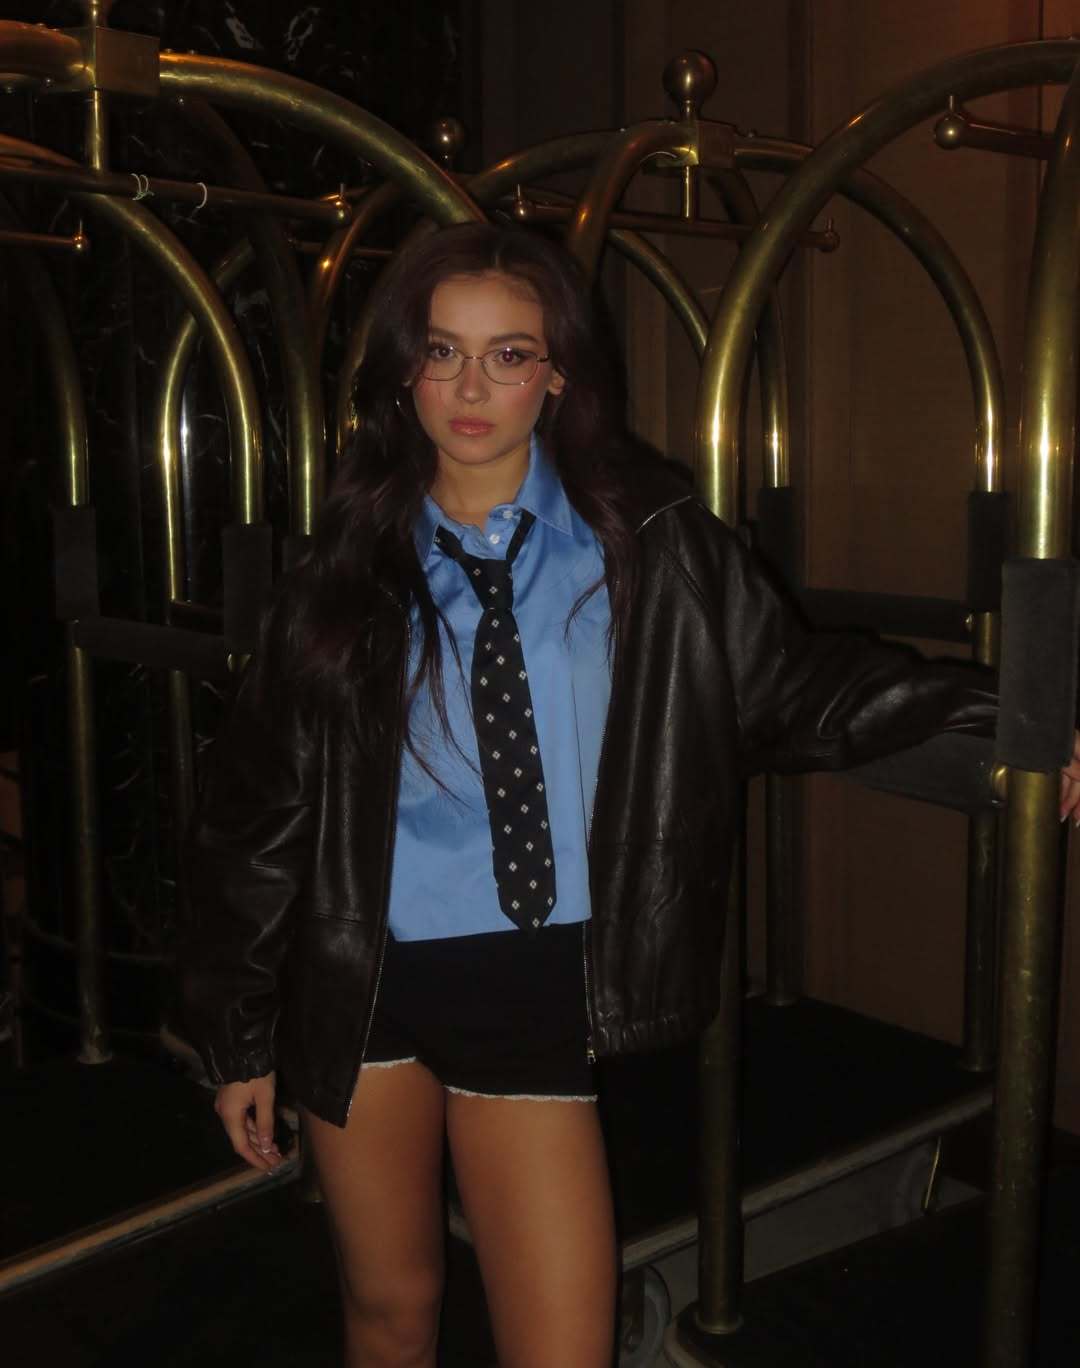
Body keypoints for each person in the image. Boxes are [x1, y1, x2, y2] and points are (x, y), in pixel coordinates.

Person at [179, 222, 1080, 1368]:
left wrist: (1005, 736)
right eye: (443, 352)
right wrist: (235, 1037)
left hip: (531, 987)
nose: (471, 388)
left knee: (565, 1348)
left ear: (557, 373)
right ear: (403, 371)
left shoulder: (647, 546)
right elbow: (256, 812)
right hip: (360, 986)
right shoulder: (342, 566)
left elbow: (801, 685)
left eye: (509, 355)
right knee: (390, 1317)